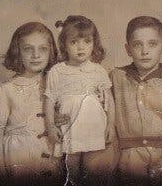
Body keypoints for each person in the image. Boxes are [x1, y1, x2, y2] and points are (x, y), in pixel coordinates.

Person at [110, 16, 162, 186]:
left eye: (152, 44)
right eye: (138, 44)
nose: (144, 51)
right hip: (127, 158)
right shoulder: (117, 77)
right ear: (128, 49)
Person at [0, 22, 67, 185]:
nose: (36, 55)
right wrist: (1, 174)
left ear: (51, 52)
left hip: (51, 158)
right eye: (28, 49)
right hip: (19, 160)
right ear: (17, 52)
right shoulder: (4, 90)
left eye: (42, 49)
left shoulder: (57, 84)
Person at [45, 15, 116, 185]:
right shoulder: (57, 71)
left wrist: (110, 125)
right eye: (74, 42)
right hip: (70, 126)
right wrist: (50, 126)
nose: (81, 47)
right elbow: (49, 100)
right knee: (71, 167)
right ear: (64, 45)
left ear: (94, 44)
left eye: (87, 41)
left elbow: (109, 101)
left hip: (94, 125)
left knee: (93, 168)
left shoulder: (98, 70)